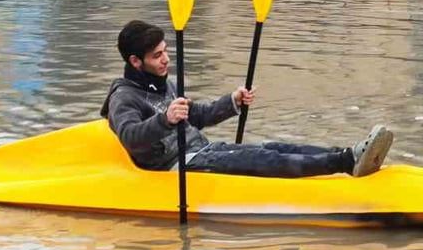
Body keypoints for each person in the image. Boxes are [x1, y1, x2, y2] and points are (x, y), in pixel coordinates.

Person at [102, 20, 393, 178]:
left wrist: (232, 101)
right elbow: (130, 137)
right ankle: (345, 162)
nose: (166, 59)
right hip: (175, 166)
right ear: (135, 61)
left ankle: (348, 154)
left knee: (274, 146)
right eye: (157, 55)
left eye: (166, 51)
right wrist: (165, 120)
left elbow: (198, 116)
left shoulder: (161, 83)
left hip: (202, 150)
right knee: (260, 158)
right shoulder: (123, 98)